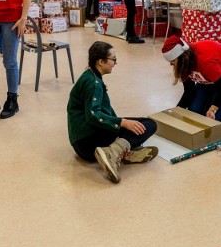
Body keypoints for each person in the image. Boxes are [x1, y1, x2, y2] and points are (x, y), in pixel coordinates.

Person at [67, 41, 158, 184]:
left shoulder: (90, 75)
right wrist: (122, 122)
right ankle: (114, 152)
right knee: (149, 124)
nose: (115, 63)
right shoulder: (93, 84)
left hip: (82, 142)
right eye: (113, 59)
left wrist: (121, 123)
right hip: (89, 143)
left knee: (137, 125)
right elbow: (93, 116)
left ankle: (122, 152)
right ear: (101, 61)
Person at [161, 35, 221, 122]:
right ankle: (213, 94)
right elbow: (189, 90)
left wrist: (213, 108)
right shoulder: (184, 64)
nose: (171, 64)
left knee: (216, 117)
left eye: (173, 61)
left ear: (182, 57)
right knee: (194, 111)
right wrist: (177, 111)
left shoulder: (205, 61)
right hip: (209, 78)